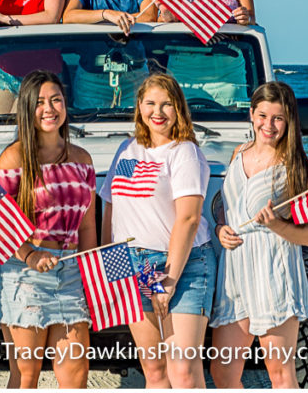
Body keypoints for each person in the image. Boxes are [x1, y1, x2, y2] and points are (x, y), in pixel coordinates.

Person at [101, 74, 215, 389]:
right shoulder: (127, 150)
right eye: (150, 103)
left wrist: (170, 279)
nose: (158, 112)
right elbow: (112, 207)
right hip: (134, 263)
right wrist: (110, 268)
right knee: (154, 370)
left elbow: (189, 219)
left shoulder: (184, 153)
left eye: (167, 104)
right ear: (139, 107)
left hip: (182, 264)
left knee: (184, 372)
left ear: (179, 109)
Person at [0, 71, 96, 388]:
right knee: (26, 375)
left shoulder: (82, 159)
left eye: (55, 100)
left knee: (76, 373)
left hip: (70, 270)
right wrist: (30, 254)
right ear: (26, 108)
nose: (49, 109)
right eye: (39, 103)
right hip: (22, 270)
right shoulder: (14, 156)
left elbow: (87, 224)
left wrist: (91, 275)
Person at [210, 82, 308, 389]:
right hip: (234, 273)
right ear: (251, 114)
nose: (268, 125)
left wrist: (276, 225)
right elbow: (227, 204)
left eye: (278, 118)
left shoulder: (296, 167)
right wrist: (220, 228)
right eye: (262, 115)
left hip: (274, 273)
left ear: (289, 121)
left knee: (281, 375)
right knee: (223, 373)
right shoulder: (238, 152)